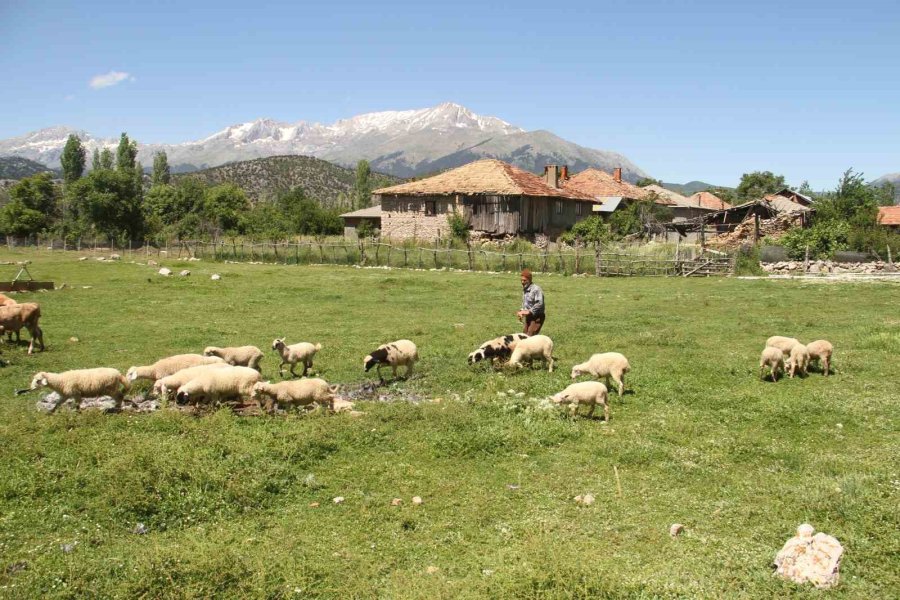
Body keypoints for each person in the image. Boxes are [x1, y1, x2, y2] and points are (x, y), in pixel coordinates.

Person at [516, 269, 545, 335]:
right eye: (521, 280)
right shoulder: (525, 289)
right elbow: (526, 303)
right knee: (524, 335)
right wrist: (522, 311)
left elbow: (540, 303)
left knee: (530, 336)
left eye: (524, 280)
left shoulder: (536, 289)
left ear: (529, 280)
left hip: (537, 316)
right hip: (529, 316)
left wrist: (529, 311)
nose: (522, 282)